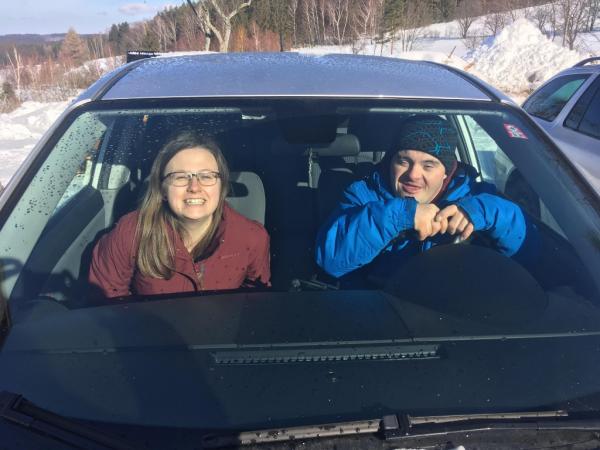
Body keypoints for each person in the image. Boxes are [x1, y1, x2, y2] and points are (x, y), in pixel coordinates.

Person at [315, 114, 536, 281]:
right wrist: (400, 216)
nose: (413, 175)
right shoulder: (362, 195)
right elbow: (331, 260)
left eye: (428, 165)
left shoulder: (478, 198)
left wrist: (489, 213)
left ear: (447, 172)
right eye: (403, 161)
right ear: (391, 162)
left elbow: (536, 258)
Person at [89, 132, 270, 298]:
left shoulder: (252, 237)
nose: (194, 187)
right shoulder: (130, 233)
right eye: (180, 177)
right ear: (162, 189)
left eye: (206, 176)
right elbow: (107, 302)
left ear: (221, 187)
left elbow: (255, 299)